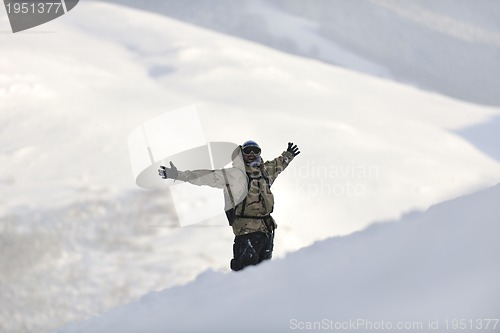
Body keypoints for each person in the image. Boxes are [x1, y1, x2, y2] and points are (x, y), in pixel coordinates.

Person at [158, 140, 300, 271]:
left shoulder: (265, 171)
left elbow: (278, 164)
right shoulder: (234, 175)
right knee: (245, 274)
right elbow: (205, 176)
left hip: (267, 231)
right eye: (247, 151)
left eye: (255, 151)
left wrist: (288, 154)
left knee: (263, 275)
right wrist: (178, 175)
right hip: (246, 232)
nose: (251, 154)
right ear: (241, 154)